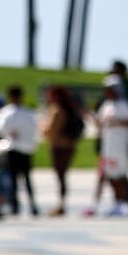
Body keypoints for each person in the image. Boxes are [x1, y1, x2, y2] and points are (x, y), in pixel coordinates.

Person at [41, 85, 88, 217]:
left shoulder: (57, 110)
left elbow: (51, 131)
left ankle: (61, 205)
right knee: (62, 176)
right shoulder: (69, 108)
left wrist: (43, 128)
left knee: (60, 176)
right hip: (69, 146)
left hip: (59, 146)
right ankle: (61, 204)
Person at [93, 76, 128, 217]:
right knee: (110, 175)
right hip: (108, 146)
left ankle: (126, 203)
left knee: (120, 175)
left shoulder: (123, 105)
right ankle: (116, 203)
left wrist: (116, 122)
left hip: (121, 146)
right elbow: (100, 123)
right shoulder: (106, 105)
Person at [0, 85, 41, 217]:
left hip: (14, 148)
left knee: (14, 179)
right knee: (27, 179)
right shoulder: (28, 113)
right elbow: (34, 130)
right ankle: (32, 205)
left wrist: (9, 133)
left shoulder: (7, 112)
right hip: (26, 149)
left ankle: (15, 205)